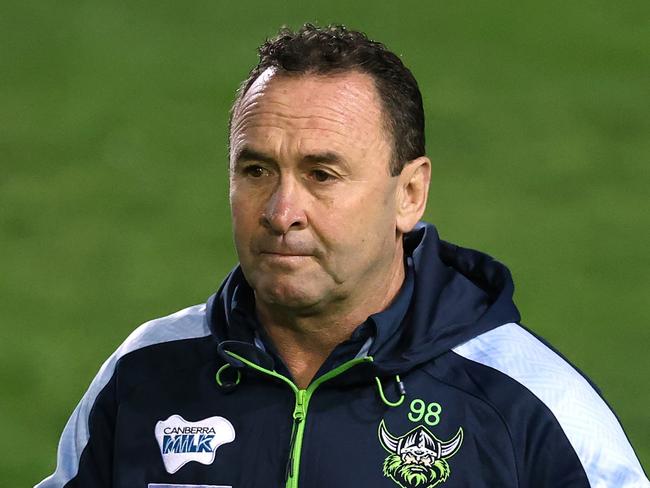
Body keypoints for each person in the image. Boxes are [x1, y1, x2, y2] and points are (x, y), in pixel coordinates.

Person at [37, 24, 648, 488]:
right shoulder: (145, 374)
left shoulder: (531, 403)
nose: (280, 211)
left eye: (322, 174)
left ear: (409, 193)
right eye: (256, 170)